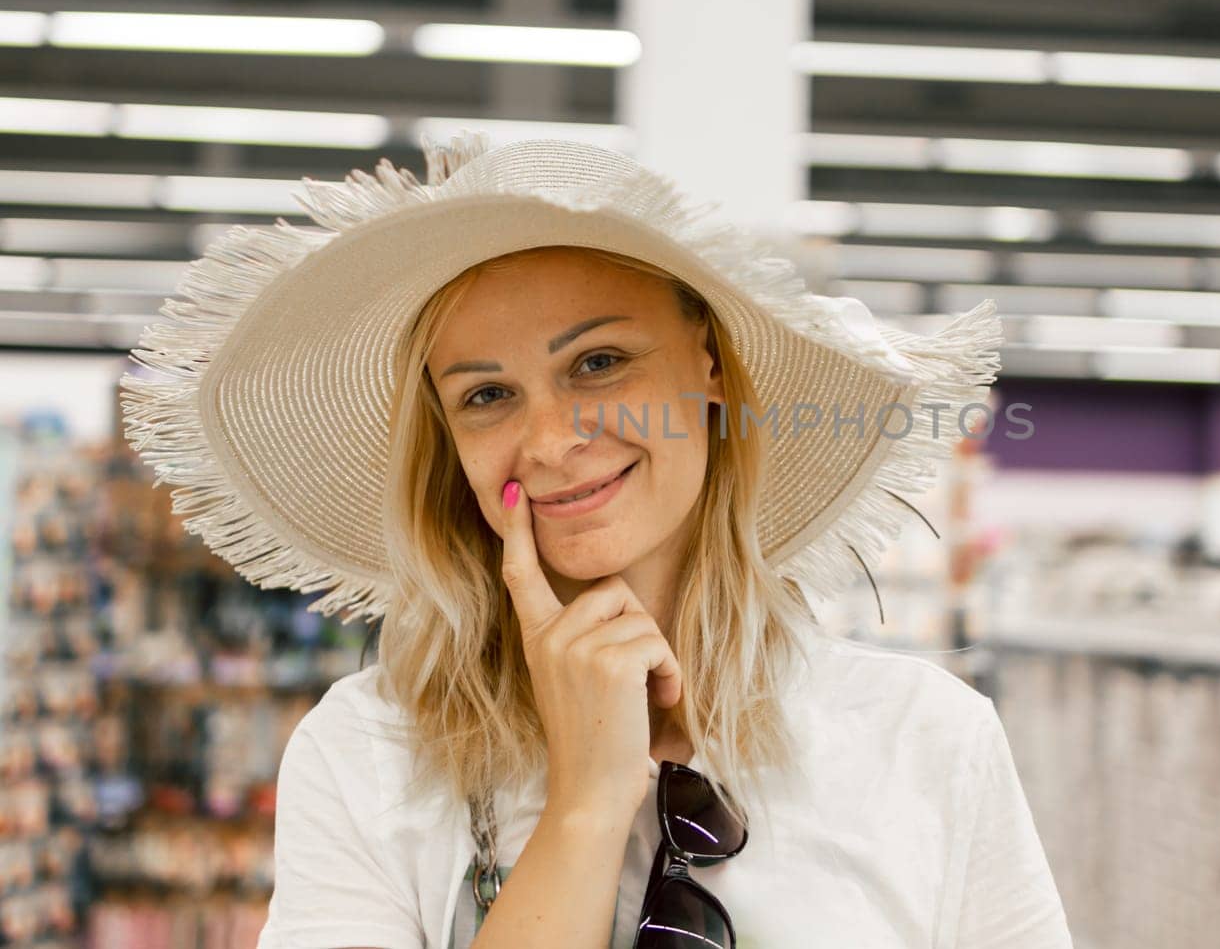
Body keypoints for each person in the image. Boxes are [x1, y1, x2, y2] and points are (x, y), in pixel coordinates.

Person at [118, 134, 1073, 949]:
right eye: (487, 395)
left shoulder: (925, 739)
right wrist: (584, 801)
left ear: (708, 366)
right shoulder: (367, 753)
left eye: (601, 362)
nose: (550, 441)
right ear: (449, 441)